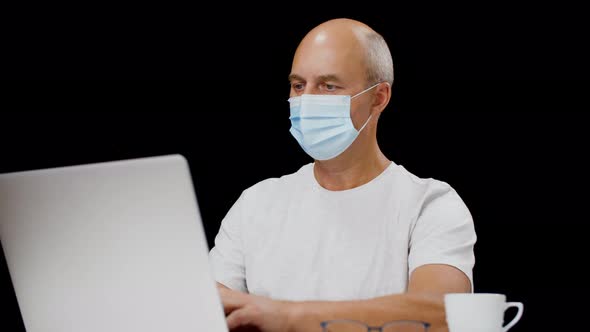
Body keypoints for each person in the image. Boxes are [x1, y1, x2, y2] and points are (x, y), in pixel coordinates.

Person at [209, 18, 476, 332]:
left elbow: (440, 314)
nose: (306, 100)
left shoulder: (430, 204)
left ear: (379, 97)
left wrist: (283, 316)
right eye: (298, 85)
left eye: (328, 85)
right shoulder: (255, 203)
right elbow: (205, 306)